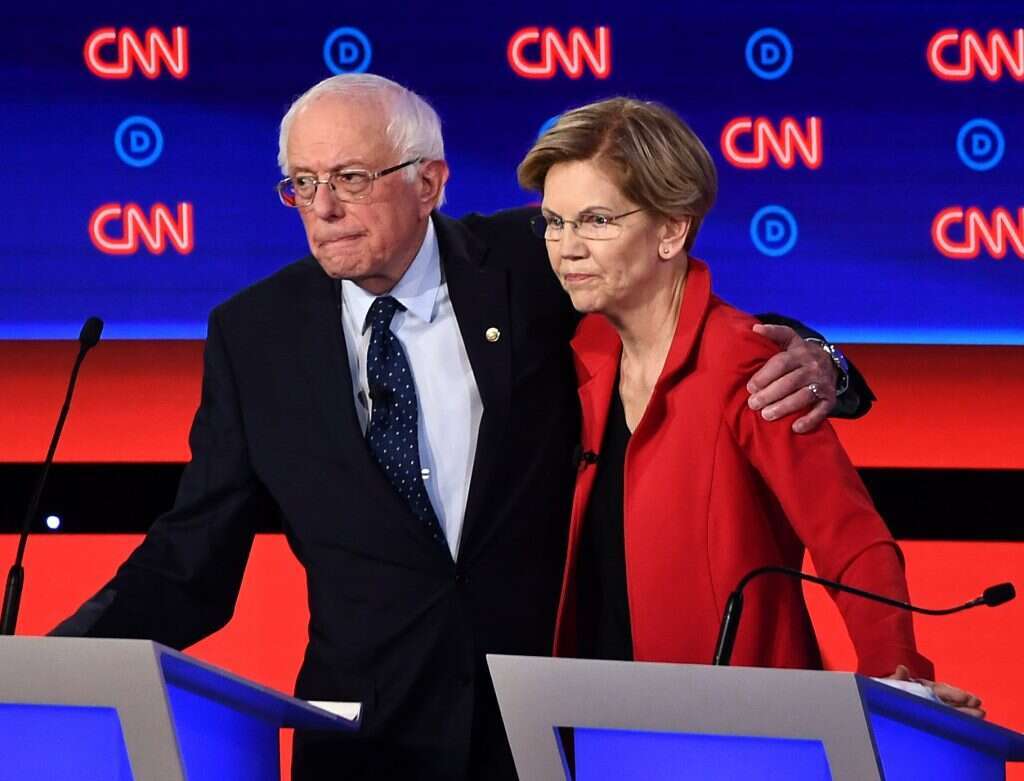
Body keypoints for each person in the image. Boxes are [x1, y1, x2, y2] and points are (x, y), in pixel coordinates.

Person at [53, 75, 878, 780]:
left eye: (348, 176)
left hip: (548, 732)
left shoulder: (531, 258)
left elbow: (671, 309)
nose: (324, 208)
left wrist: (824, 362)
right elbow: (191, 557)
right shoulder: (253, 334)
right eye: (300, 182)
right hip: (364, 743)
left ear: (430, 182)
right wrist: (56, 665)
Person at [518, 97, 984, 716]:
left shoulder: (746, 364)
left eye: (596, 220)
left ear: (671, 230)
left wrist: (896, 673)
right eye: (555, 221)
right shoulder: (580, 353)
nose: (566, 248)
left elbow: (849, 537)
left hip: (737, 729)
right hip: (594, 722)